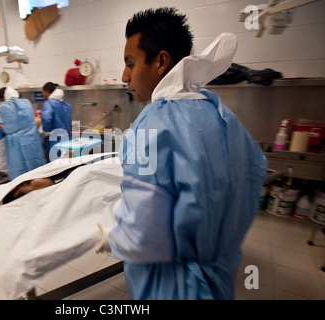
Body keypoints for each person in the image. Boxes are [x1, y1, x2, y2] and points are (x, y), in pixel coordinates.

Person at [95, 7, 267, 300]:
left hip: (171, 285)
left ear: (161, 61)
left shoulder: (151, 128)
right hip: (218, 277)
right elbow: (251, 180)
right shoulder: (222, 114)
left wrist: (114, 239)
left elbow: (143, 233)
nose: (125, 76)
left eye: (130, 63)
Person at [0, 87, 46, 181]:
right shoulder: (26, 103)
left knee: (18, 166)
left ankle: (21, 188)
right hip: (31, 139)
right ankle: (38, 184)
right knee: (35, 164)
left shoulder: (2, 107)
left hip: (15, 142)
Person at [40, 82, 72, 160]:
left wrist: (46, 131)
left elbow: (46, 118)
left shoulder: (49, 103)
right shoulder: (67, 105)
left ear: (47, 92)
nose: (43, 95)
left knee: (54, 164)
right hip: (66, 138)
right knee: (65, 163)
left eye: (43, 92)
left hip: (54, 139)